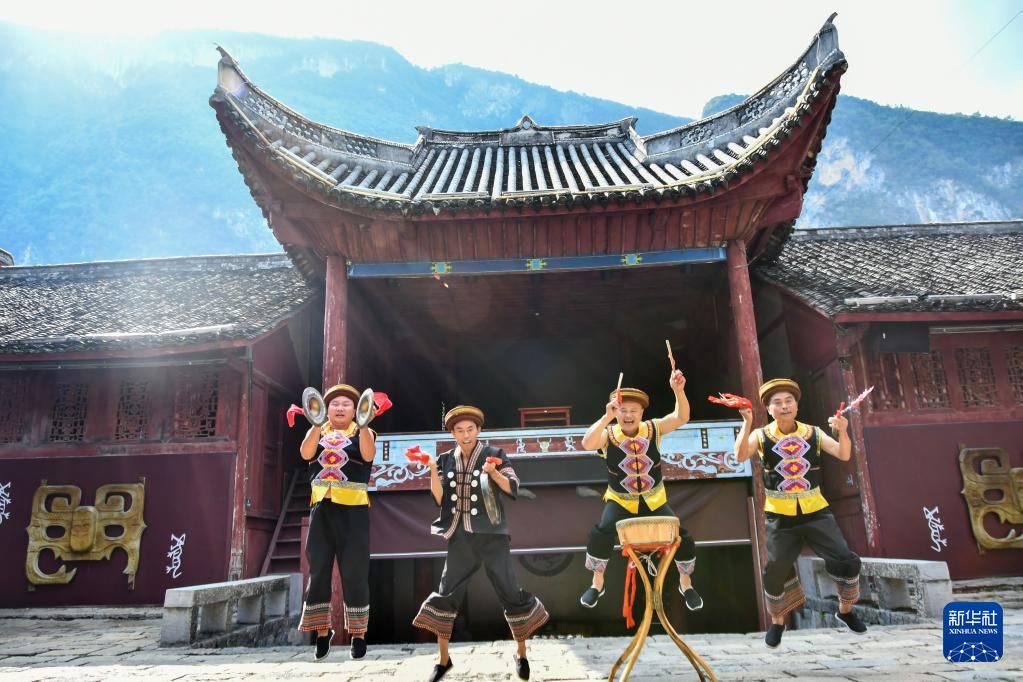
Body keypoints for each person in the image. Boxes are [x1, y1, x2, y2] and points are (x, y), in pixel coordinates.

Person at [413, 405, 549, 682]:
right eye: (459, 430)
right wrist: (431, 469)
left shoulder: (495, 454)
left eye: (470, 429)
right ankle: (443, 660)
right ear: (452, 434)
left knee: (509, 591)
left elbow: (513, 488)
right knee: (446, 593)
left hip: (492, 535)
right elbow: (439, 499)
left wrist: (494, 473)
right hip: (459, 536)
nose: (465, 435)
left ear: (479, 430)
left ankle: (521, 655)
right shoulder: (444, 459)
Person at [734, 378, 866, 648]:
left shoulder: (813, 433)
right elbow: (739, 455)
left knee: (845, 558)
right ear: (769, 409)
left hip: (816, 511)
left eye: (788, 401)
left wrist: (843, 431)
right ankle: (777, 621)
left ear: (796, 405)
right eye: (777, 403)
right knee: (775, 571)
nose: (784, 406)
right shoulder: (761, 435)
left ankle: (845, 610)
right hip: (779, 516)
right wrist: (746, 424)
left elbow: (843, 454)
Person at [578, 369, 703, 612]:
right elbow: (586, 443)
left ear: (641, 413)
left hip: (654, 500)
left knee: (681, 536)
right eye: (623, 410)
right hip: (621, 501)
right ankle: (597, 583)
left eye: (633, 411)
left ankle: (686, 584)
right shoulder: (608, 434)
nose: (628, 415)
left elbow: (681, 417)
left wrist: (678, 391)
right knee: (601, 532)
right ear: (616, 412)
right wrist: (605, 417)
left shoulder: (653, 429)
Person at [296, 383, 376, 660]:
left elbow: (368, 455)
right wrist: (316, 424)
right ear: (325, 408)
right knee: (318, 570)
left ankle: (358, 634)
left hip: (354, 511)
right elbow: (306, 454)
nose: (340, 408)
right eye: (334, 404)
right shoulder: (318, 431)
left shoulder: (363, 431)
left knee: (354, 572)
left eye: (346, 404)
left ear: (355, 410)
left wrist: (364, 425)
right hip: (322, 507)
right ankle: (321, 631)